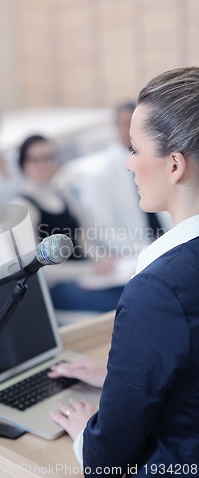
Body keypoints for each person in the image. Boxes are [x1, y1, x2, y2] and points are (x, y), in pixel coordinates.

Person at [48, 67, 199, 475]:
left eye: (134, 149)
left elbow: (107, 461)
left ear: (173, 165)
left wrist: (85, 431)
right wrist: (125, 382)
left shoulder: (157, 289)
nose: (129, 165)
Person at [13, 134, 125, 313]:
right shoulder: (23, 207)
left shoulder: (64, 194)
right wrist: (90, 269)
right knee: (119, 303)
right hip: (58, 286)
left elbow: (84, 240)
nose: (45, 164)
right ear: (24, 163)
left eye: (49, 157)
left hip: (89, 277)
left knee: (133, 289)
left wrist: (104, 260)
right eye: (37, 159)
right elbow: (37, 268)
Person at [55, 102, 172, 258]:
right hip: (134, 255)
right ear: (115, 127)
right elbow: (103, 230)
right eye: (126, 124)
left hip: (170, 244)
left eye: (138, 125)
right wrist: (145, 250)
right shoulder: (99, 176)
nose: (132, 131)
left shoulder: (160, 162)